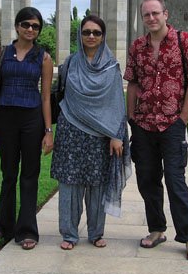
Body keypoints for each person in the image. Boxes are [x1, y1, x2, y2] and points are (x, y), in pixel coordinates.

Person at [123, 0, 188, 261]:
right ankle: (156, 229)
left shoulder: (185, 41)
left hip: (172, 123)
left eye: (155, 13)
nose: (151, 18)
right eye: (146, 15)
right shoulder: (137, 47)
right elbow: (133, 84)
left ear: (165, 14)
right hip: (144, 124)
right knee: (147, 179)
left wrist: (183, 118)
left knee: (175, 179)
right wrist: (131, 117)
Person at [0, 7, 54, 250]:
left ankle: (27, 230)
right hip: (6, 119)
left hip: (32, 119)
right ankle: (4, 224)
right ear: (17, 26)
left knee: (29, 175)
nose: (31, 30)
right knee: (8, 173)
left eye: (36, 26)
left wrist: (48, 131)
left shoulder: (44, 58)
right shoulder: (2, 53)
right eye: (26, 25)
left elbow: (46, 97)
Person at [50, 15, 130, 250]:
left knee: (98, 184)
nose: (91, 36)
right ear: (80, 35)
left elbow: (117, 102)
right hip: (71, 131)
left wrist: (117, 135)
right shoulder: (70, 63)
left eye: (96, 32)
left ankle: (96, 233)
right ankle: (69, 234)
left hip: (101, 136)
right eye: (86, 32)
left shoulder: (111, 66)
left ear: (103, 36)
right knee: (69, 184)